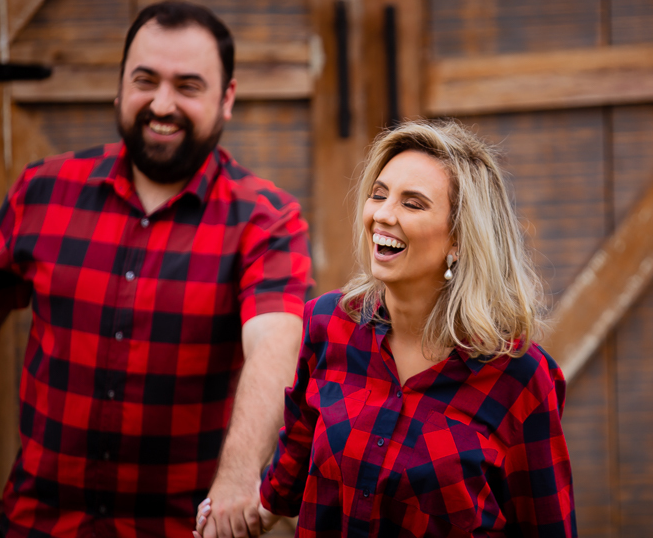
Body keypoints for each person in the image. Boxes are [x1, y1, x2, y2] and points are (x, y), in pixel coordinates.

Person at [0, 0, 312, 537]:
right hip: (39, 523)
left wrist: (239, 481)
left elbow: (275, 341)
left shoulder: (266, 219)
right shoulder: (42, 190)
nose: (162, 103)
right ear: (119, 88)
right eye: (145, 80)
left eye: (188, 86)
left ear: (227, 100)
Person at [197, 120, 577, 537]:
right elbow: (295, 460)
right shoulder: (328, 325)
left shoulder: (519, 377)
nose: (382, 214)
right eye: (379, 194)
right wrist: (238, 516)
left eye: (412, 204)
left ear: (459, 239)